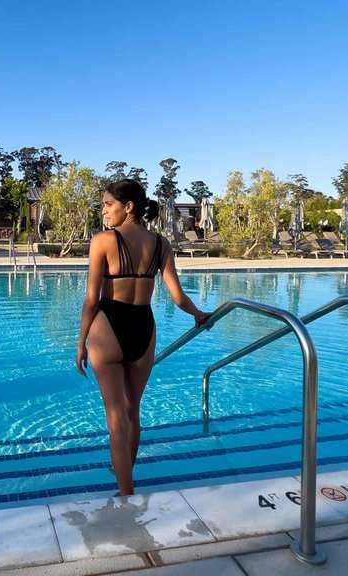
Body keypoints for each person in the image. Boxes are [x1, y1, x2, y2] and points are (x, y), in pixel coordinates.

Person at [76, 179, 210, 496]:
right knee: (132, 409)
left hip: (108, 326)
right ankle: (127, 475)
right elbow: (177, 296)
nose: (105, 211)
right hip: (144, 328)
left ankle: (125, 490)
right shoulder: (160, 244)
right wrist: (198, 314)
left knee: (116, 416)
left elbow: (92, 299)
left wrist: (80, 341)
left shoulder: (103, 241)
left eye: (109, 204)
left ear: (129, 206)